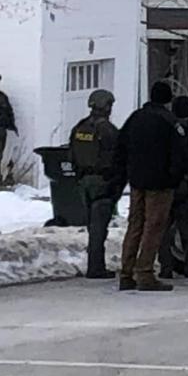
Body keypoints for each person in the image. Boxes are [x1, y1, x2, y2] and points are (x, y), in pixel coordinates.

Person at [116, 81, 187, 292]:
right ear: (167, 99)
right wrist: (174, 177)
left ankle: (126, 272)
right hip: (160, 183)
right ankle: (145, 272)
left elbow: (120, 147)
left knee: (135, 225)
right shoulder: (169, 121)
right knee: (153, 227)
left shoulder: (135, 118)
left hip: (137, 181)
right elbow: (180, 153)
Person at [68, 89, 123, 279]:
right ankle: (96, 267)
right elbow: (119, 157)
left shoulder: (79, 128)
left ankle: (95, 264)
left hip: (84, 181)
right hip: (102, 182)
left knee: (93, 227)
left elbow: (71, 155)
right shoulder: (108, 130)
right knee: (99, 228)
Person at [159, 95, 188, 279]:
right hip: (186, 185)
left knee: (164, 229)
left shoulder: (166, 132)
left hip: (167, 185)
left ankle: (165, 267)